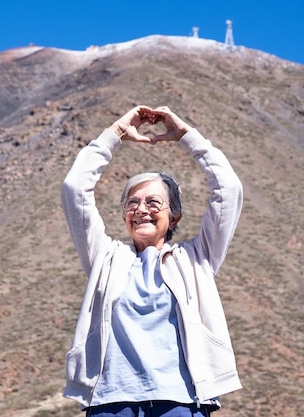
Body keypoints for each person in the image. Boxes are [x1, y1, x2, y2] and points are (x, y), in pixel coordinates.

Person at [61, 106, 243, 417]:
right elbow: (75, 188)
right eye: (132, 202)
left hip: (181, 401)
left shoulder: (196, 258)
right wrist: (116, 132)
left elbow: (228, 190)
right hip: (111, 401)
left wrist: (186, 136)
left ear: (175, 216)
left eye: (153, 202)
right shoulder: (104, 258)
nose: (141, 209)